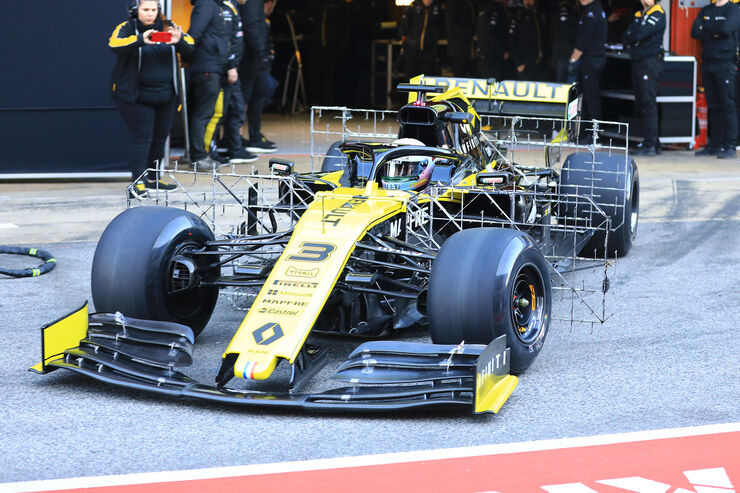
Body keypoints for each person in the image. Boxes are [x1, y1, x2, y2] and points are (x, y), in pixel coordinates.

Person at [109, 0, 194, 196]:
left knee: (159, 138)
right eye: (145, 9)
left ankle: (154, 178)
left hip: (166, 96)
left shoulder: (169, 27)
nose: (150, 14)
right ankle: (138, 182)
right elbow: (114, 44)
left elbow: (191, 46)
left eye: (153, 10)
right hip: (136, 96)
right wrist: (140, 39)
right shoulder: (127, 27)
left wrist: (178, 40)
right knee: (142, 138)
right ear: (136, 10)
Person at [187, 0, 241, 170]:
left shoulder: (216, 5)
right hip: (207, 67)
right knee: (203, 114)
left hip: (216, 67)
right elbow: (193, 35)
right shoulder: (206, 5)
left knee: (213, 113)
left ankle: (205, 154)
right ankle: (198, 157)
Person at [691, 0, 740, 159]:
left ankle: (730, 145)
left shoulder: (733, 9)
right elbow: (694, 31)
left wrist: (706, 28)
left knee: (727, 105)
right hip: (708, 63)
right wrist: (715, 31)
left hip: (725, 64)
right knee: (713, 105)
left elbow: (726, 29)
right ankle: (714, 145)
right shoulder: (706, 10)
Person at [623, 0, 666, 156]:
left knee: (648, 102)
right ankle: (653, 142)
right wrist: (635, 35)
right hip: (638, 62)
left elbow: (639, 33)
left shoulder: (658, 12)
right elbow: (627, 35)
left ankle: (650, 145)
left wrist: (636, 35)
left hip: (650, 62)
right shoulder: (638, 13)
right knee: (642, 102)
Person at [241, 0, 278, 153]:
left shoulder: (254, 4)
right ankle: (237, 140)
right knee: (245, 98)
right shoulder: (253, 4)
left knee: (257, 94)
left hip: (253, 57)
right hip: (250, 59)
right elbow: (251, 26)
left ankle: (250, 137)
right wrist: (262, 52)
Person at [567, 0, 607, 123]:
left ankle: (595, 134)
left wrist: (572, 60)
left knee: (591, 98)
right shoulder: (592, 9)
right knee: (586, 97)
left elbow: (584, 39)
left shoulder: (592, 11)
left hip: (592, 60)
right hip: (592, 59)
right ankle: (584, 132)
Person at [400, 0, 444, 78]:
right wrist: (408, 41)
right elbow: (404, 27)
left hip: (429, 51)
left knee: (427, 78)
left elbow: (441, 26)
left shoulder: (437, 7)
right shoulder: (413, 6)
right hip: (412, 50)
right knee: (411, 78)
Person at [508, 0, 546, 81]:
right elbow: (511, 41)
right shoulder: (518, 16)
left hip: (540, 62)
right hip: (525, 62)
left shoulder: (539, 15)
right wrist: (518, 63)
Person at [476, 0, 510, 80]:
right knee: (493, 85)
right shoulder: (496, 10)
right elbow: (492, 35)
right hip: (492, 56)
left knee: (492, 85)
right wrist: (502, 51)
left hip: (486, 55)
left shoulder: (486, 8)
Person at [549, 0, 578, 82]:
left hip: (571, 51)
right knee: (563, 83)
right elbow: (563, 30)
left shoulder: (574, 8)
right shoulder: (563, 9)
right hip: (564, 52)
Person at [446, 0, 476, 77]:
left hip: (468, 49)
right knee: (460, 76)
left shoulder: (468, 3)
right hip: (458, 49)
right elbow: (452, 26)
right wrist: (471, 34)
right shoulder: (453, 3)